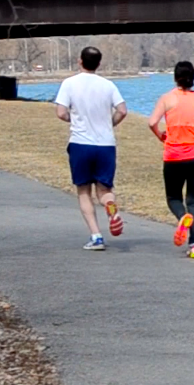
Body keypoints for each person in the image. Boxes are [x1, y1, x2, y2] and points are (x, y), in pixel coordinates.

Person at [54, 46, 127, 251]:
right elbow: (122, 110)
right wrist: (109, 124)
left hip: (81, 143)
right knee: (104, 189)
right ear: (99, 63)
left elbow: (60, 112)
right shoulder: (108, 85)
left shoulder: (69, 83)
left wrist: (73, 119)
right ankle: (112, 209)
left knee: (83, 191)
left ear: (80, 61)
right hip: (105, 145)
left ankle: (96, 236)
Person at [148, 61, 194, 259]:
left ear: (175, 77)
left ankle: (181, 218)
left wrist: (160, 134)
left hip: (175, 155)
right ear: (193, 78)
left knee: (174, 198)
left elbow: (152, 121)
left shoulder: (167, 99)